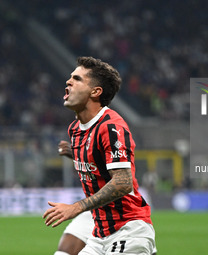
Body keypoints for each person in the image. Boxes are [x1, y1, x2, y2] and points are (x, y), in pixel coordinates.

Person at [43, 56, 156, 255]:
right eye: (70, 77)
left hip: (127, 230)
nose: (68, 82)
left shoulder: (111, 126)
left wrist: (75, 208)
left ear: (96, 92)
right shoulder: (75, 129)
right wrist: (76, 154)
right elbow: (97, 162)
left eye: (77, 79)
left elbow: (122, 182)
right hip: (99, 233)